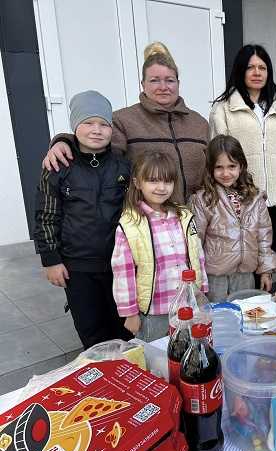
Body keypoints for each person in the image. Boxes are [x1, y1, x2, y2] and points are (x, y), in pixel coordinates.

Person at [42, 42, 208, 203]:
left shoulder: (199, 123)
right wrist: (63, 141)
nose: (163, 87)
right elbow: (95, 144)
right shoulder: (123, 120)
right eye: (154, 80)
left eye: (170, 80)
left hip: (194, 215)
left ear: (178, 83)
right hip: (145, 216)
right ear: (143, 84)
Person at [33, 90, 132, 349]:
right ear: (75, 125)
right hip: (77, 267)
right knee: (92, 331)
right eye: (88, 122)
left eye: (104, 124)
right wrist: (51, 259)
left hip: (118, 264)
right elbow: (46, 215)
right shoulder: (58, 167)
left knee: (124, 329)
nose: (96, 130)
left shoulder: (123, 167)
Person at [111, 151, 207, 342]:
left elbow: (197, 255)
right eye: (153, 181)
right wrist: (130, 313)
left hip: (187, 306)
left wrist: (201, 291)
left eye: (167, 181)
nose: (161, 187)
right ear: (138, 183)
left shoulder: (183, 216)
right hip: (154, 312)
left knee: (188, 350)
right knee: (156, 355)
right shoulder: (130, 223)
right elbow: (123, 271)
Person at [209, 44, 276, 255]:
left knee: (270, 256)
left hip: (272, 199)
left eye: (262, 68)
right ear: (240, 70)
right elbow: (217, 155)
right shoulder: (223, 108)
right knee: (244, 257)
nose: (257, 73)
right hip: (241, 197)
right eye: (250, 67)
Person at [190, 135, 276, 302]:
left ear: (241, 166)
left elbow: (264, 237)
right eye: (219, 167)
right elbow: (195, 241)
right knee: (218, 314)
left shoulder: (255, 197)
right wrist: (196, 276)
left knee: (244, 311)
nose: (226, 173)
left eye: (232, 166)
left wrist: (266, 270)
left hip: (245, 274)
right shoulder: (204, 199)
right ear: (210, 168)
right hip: (215, 277)